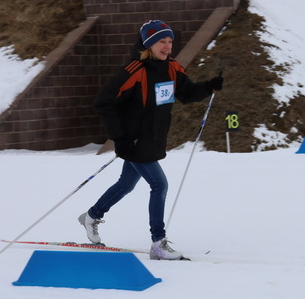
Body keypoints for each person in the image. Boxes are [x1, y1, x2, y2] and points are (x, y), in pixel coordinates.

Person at [78, 20, 224, 260]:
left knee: (126, 184)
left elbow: (186, 94)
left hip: (154, 138)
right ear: (148, 44)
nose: (167, 47)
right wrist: (120, 138)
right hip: (134, 141)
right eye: (161, 42)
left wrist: (209, 87)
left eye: (170, 41)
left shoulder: (173, 68)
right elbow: (104, 103)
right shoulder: (134, 71)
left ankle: (91, 216)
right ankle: (158, 243)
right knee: (160, 185)